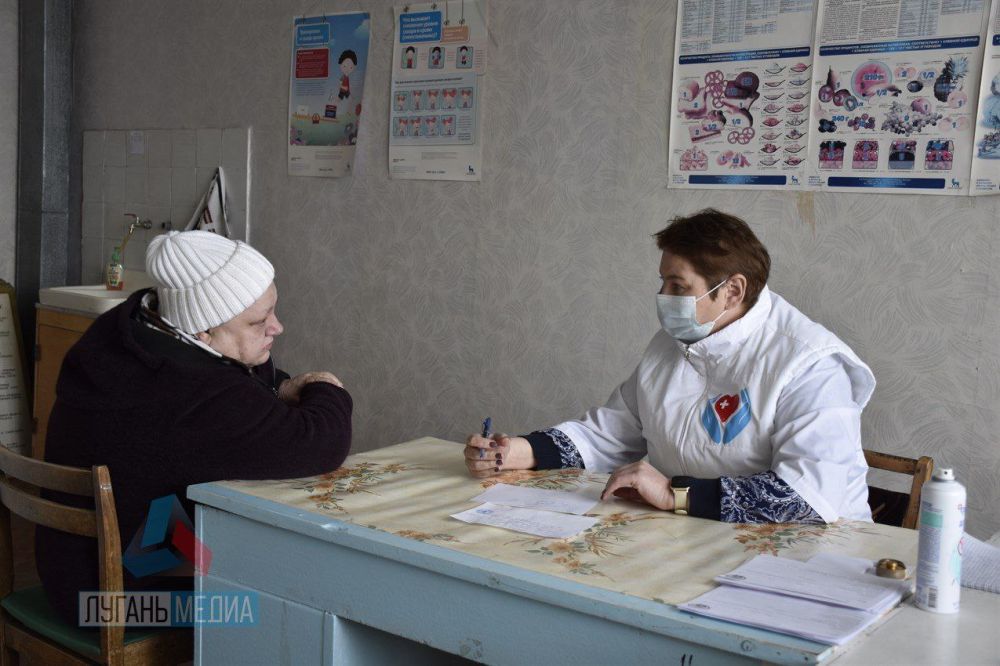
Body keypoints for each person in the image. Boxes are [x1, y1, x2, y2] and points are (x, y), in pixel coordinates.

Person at [464, 209, 875, 524]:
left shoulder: (809, 364)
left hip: (810, 557)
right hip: (697, 532)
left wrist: (675, 494)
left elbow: (806, 497)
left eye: (678, 286)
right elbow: (613, 433)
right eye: (662, 282)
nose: (663, 296)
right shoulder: (673, 343)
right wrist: (518, 452)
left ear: (733, 290)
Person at [36, 230, 353, 625]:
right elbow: (320, 442)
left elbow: (244, 386)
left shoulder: (125, 331)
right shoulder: (194, 393)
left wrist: (277, 387)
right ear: (203, 332)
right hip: (116, 606)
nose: (277, 327)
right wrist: (324, 386)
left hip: (71, 576)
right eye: (259, 322)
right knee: (281, 601)